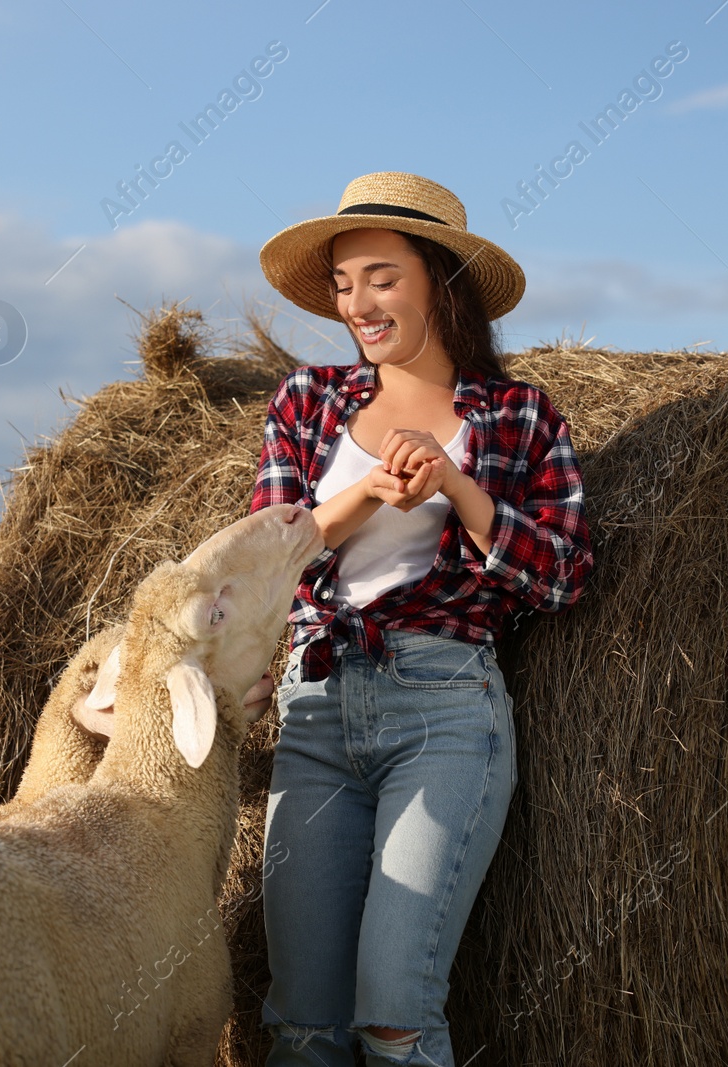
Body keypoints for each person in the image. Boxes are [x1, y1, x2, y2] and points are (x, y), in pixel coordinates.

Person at [248, 171, 595, 1066]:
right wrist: (368, 491)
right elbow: (267, 561)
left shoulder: (520, 417)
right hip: (317, 710)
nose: (357, 302)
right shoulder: (306, 404)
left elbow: (563, 575)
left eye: (381, 276)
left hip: (444, 712)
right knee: (300, 1024)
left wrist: (457, 486)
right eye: (343, 283)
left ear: (440, 280)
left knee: (394, 1014)